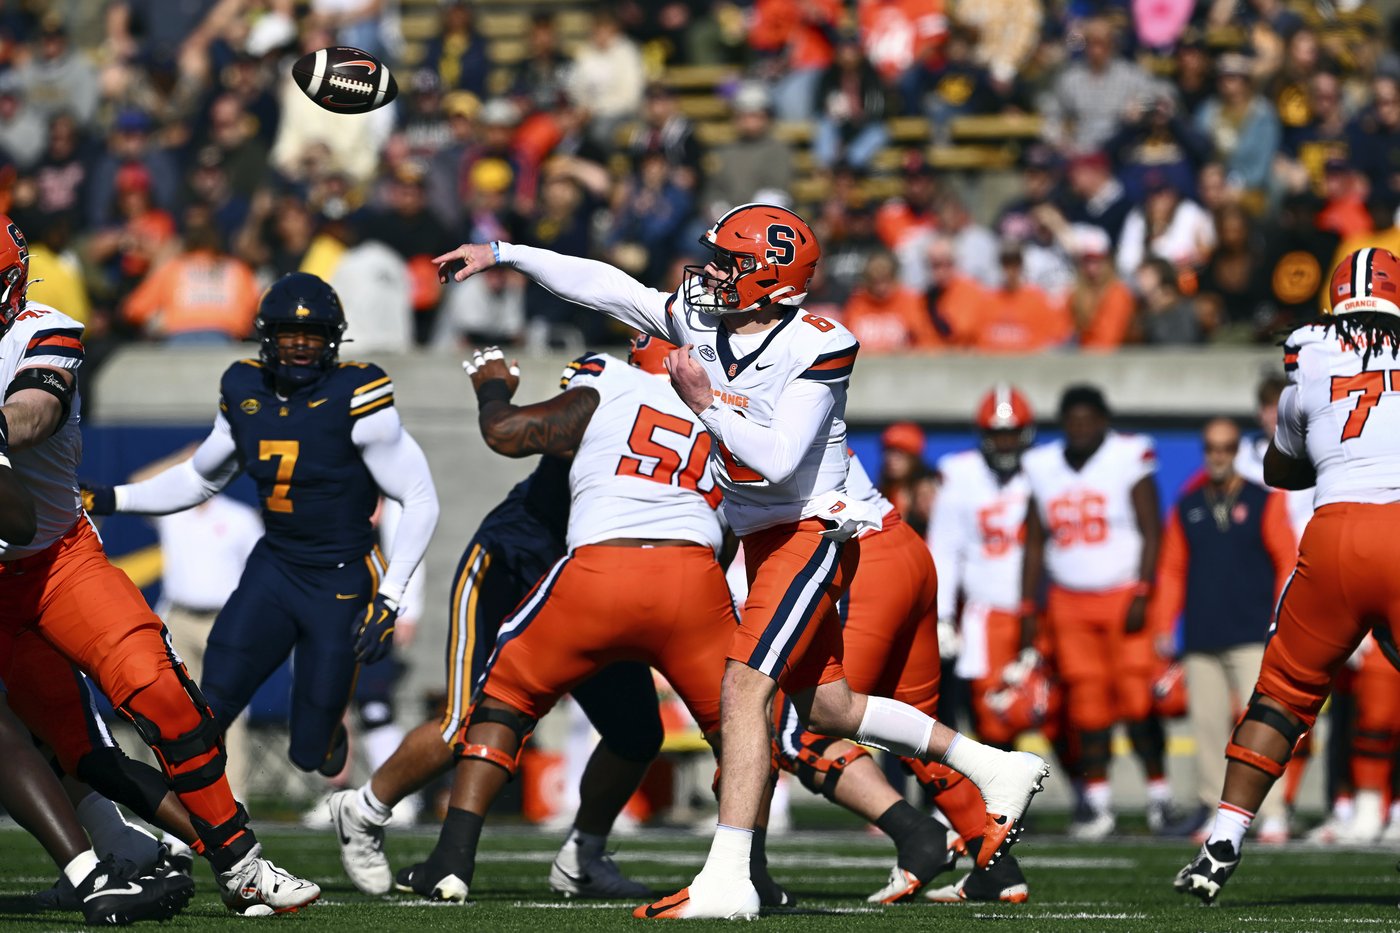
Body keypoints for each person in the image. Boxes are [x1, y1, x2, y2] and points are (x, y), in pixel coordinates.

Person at [435, 203, 1049, 920]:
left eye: (731, 262)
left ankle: (729, 878)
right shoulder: (705, 323)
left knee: (742, 688)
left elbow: (782, 461)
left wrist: (706, 401)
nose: (713, 273)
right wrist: (506, 251)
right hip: (766, 538)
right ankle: (995, 766)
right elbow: (609, 286)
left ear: (769, 276)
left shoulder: (819, 342)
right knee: (829, 706)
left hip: (813, 527)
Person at [0, 214, 319, 914]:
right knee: (78, 747)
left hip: (57, 561)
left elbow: (33, 411)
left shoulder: (43, 328)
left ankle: (242, 864)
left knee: (160, 691)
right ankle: (117, 857)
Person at [331, 339, 717, 902]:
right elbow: (509, 432)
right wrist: (493, 390)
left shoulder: (712, 417)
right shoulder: (611, 394)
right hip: (514, 563)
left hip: (592, 583)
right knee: (466, 719)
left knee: (637, 735)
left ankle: (582, 857)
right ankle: (365, 809)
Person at [84, 272, 439, 784]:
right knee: (210, 710)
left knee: (309, 751)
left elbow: (420, 498)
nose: (299, 348)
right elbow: (199, 478)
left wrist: (392, 597)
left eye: (312, 336)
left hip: (340, 576)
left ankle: (323, 733)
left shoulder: (359, 393)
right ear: (266, 338)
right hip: (274, 567)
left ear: (333, 341)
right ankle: (197, 838)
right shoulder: (244, 386)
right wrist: (116, 499)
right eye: (288, 335)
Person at [1176, 247, 1400, 904]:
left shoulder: (1312, 354)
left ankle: (1224, 838)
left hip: (1332, 532)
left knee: (1281, 696)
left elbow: (1282, 467)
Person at [776, 450, 1033, 906]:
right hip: (902, 544)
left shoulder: (729, 404)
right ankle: (998, 870)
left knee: (799, 730)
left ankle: (916, 835)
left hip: (857, 557)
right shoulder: (783, 393)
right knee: (918, 727)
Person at [1021, 384, 1176, 839]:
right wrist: (1031, 606)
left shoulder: (1129, 455)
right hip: (1069, 600)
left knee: (1137, 700)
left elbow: (1152, 529)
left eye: (1089, 419)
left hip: (1123, 593)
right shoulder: (1043, 465)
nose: (1081, 427)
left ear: (1105, 421)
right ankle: (1098, 804)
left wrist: (1145, 591)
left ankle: (1160, 797)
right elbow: (1034, 541)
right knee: (1087, 707)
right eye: (1073, 420)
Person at [1149, 418, 1296, 842]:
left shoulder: (1262, 500)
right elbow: (1173, 568)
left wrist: (1279, 618)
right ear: (1204, 451)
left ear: (1236, 451)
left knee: (1265, 724)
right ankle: (1217, 809)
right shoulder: (1188, 504)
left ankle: (1273, 811)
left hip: (1252, 631)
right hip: (1202, 631)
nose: (1219, 455)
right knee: (1209, 727)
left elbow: (1286, 558)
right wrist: (1165, 623)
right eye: (1212, 448)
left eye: (1227, 447)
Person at [930, 386, 1039, 752]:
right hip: (988, 612)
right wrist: (943, 615)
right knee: (995, 713)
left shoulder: (1045, 471)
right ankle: (998, 805)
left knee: (1055, 707)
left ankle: (1090, 803)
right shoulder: (960, 473)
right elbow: (945, 549)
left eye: (1011, 435)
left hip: (1040, 612)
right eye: (997, 435)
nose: (1005, 444)